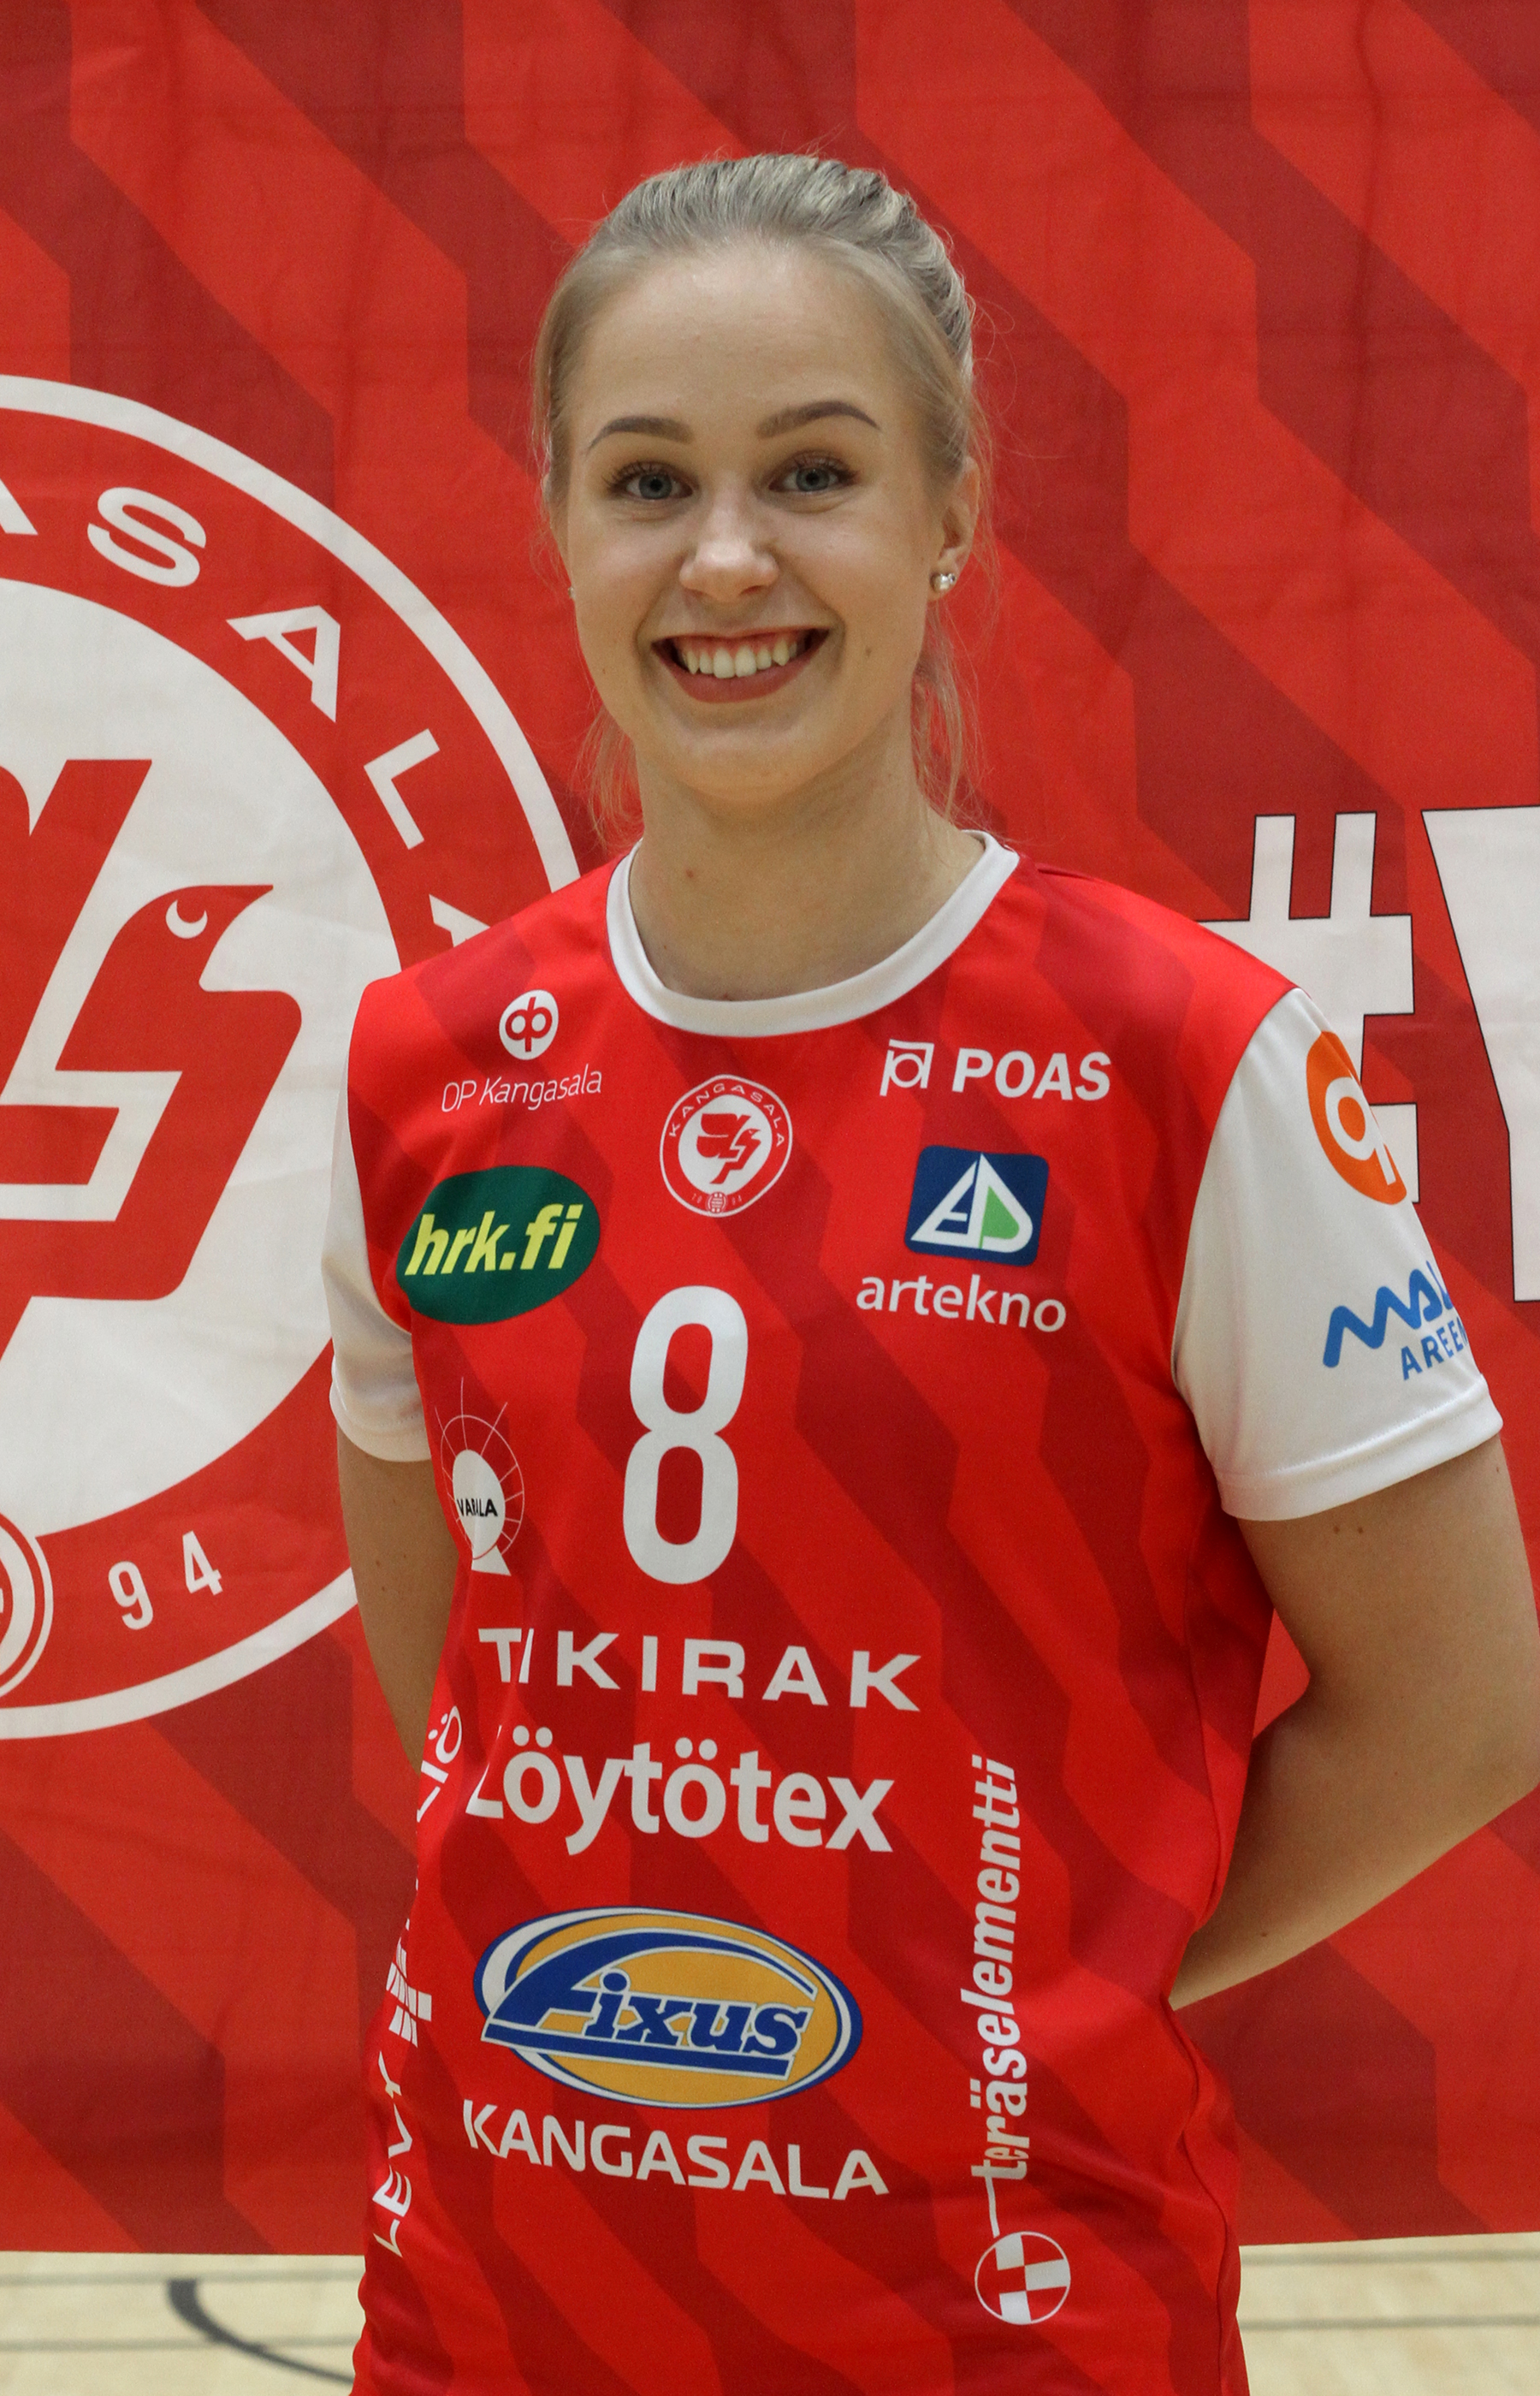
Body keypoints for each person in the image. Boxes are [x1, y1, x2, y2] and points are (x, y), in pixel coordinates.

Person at [323, 154, 1539, 2396]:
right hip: (492, 2310)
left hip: (1012, 2323)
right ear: (561, 527)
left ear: (953, 510)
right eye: (648, 481)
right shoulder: (426, 1066)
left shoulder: (1190, 1062)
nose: (725, 559)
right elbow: (465, 1695)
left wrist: (1038, 1976)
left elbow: (1459, 1710)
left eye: (814, 473)